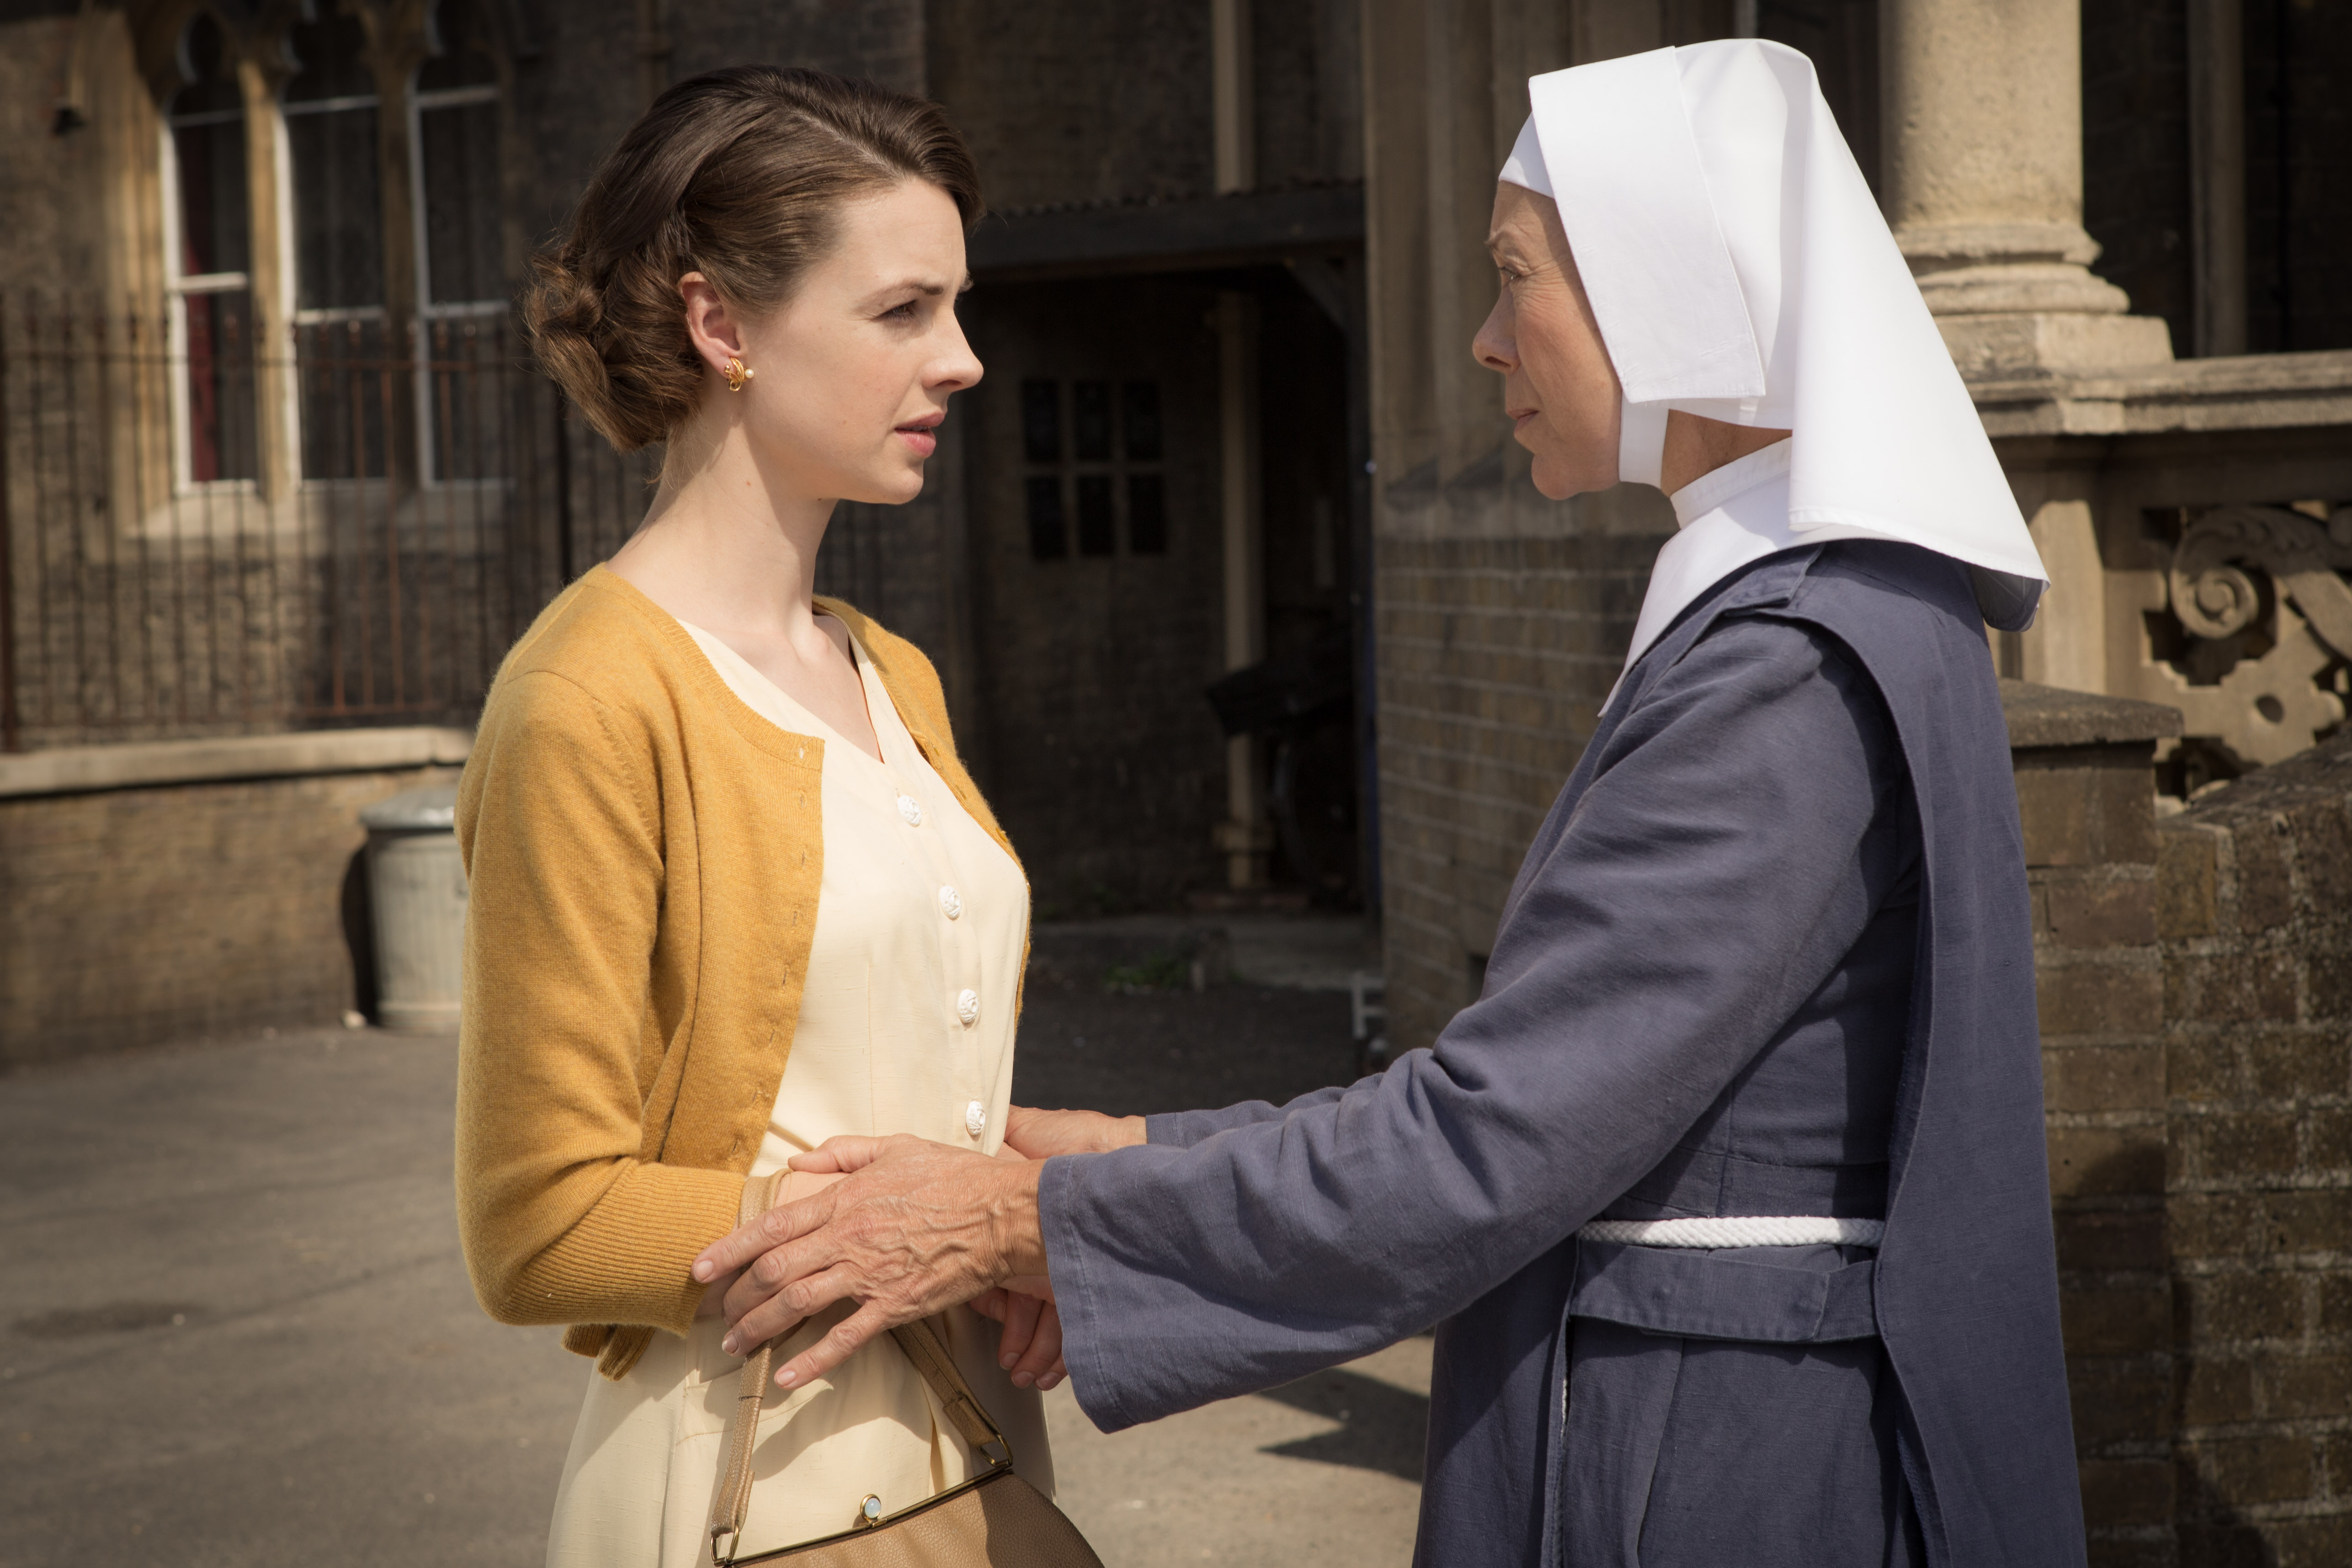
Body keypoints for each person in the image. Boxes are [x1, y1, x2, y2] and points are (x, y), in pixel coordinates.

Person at [693, 40, 2089, 1568]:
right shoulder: (1827, 620)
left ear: (1667, 289)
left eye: (1513, 277)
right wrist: (1130, 1149)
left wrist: (1017, 1223)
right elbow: (1538, 1086)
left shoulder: (1785, 672)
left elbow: (1491, 1142)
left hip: (1710, 1463)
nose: (1486, 341)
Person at [451, 66, 1064, 1568]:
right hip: (754, 1488)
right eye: (902, 311)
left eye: (958, 305)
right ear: (722, 324)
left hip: (976, 1452)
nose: (965, 359)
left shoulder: (891, 667)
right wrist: (918, 1229)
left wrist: (1012, 1206)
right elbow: (540, 1224)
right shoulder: (588, 699)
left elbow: (897, 1062)